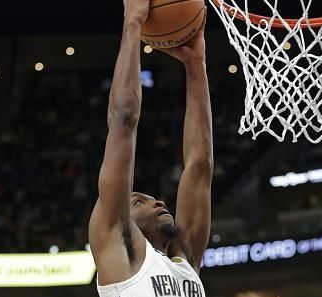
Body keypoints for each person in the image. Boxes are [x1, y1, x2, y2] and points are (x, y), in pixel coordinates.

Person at [88, 0, 213, 295]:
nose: (158, 201)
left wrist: (196, 64)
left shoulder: (185, 263)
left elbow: (200, 164)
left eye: (147, 199)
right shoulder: (118, 252)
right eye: (138, 202)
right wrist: (132, 23)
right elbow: (123, 122)